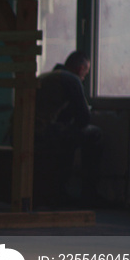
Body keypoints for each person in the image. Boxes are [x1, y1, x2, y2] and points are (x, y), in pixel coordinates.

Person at [35, 51, 103, 204]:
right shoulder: (71, 79)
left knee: (68, 135)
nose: (84, 78)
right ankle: (89, 194)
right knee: (94, 134)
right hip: (42, 132)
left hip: (24, 131)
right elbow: (84, 119)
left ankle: (59, 189)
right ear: (80, 69)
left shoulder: (48, 76)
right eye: (85, 74)